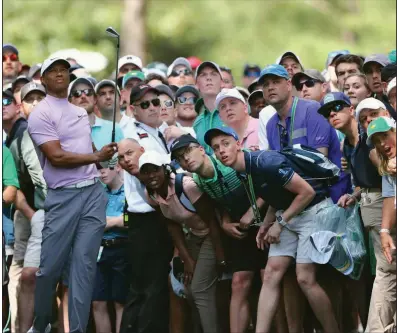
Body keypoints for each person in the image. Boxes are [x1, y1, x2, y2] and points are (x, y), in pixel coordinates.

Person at [204, 127, 339, 333]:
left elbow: (306, 193)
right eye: (215, 148)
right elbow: (273, 194)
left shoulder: (265, 162)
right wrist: (266, 224)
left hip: (314, 210)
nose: (221, 151)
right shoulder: (243, 171)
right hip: (290, 214)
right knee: (270, 274)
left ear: (238, 144)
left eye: (225, 143)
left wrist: (279, 224)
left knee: (304, 277)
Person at [27, 56, 116, 333]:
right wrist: (95, 155)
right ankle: (40, 325)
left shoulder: (78, 111)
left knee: (84, 266)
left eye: (63, 70)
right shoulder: (40, 113)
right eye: (52, 71)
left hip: (91, 193)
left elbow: (85, 145)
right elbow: (56, 157)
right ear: (43, 79)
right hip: (62, 197)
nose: (59, 75)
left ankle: (76, 329)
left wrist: (102, 159)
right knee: (50, 268)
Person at [170, 134, 271, 333]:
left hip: (267, 223)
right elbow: (219, 205)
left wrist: (253, 210)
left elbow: (269, 184)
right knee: (239, 283)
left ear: (200, 149)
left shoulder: (229, 162)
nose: (186, 159)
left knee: (268, 278)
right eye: (180, 158)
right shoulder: (197, 180)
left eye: (188, 151)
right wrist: (225, 223)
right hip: (239, 231)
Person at [139, 150, 225, 333]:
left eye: (155, 169)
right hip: (194, 235)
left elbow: (212, 220)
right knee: (187, 289)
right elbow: (172, 225)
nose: (151, 175)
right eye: (145, 172)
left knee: (200, 289)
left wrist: (220, 257)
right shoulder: (151, 194)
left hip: (213, 234)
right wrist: (187, 259)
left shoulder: (185, 185)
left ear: (164, 168)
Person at [260, 64, 349, 203]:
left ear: (289, 85)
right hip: (296, 203)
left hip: (331, 199)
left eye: (276, 82)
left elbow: (319, 161)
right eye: (265, 85)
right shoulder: (271, 125)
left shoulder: (312, 109)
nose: (270, 87)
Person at [117, 138, 173, 333]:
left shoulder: (158, 165)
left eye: (130, 154)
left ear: (142, 150)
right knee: (143, 287)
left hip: (157, 224)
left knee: (153, 287)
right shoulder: (134, 172)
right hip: (139, 226)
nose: (126, 160)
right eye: (121, 158)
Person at [3, 89, 36, 333]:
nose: (3, 105)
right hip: (28, 215)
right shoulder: (10, 137)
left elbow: (16, 187)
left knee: (22, 274)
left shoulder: (22, 133)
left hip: (35, 214)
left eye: (7, 101)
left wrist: (33, 215)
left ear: (17, 107)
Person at [365, 116, 396, 333]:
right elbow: (389, 196)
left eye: (385, 135)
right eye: (377, 140)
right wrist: (385, 231)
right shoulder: (388, 165)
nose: (382, 144)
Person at [91, 156, 129, 333]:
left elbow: (132, 219)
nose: (102, 172)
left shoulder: (129, 191)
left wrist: (112, 222)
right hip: (100, 250)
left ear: (118, 167)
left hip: (122, 248)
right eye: (99, 169)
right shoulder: (98, 192)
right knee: (98, 301)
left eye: (106, 167)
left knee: (120, 301)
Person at [122, 83, 170, 155]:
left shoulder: (163, 128)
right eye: (145, 104)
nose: (152, 108)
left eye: (155, 102)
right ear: (133, 110)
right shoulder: (132, 137)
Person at [193, 61, 224, 154]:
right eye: (203, 75)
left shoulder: (231, 113)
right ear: (197, 84)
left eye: (213, 74)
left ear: (222, 82)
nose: (209, 78)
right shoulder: (197, 123)